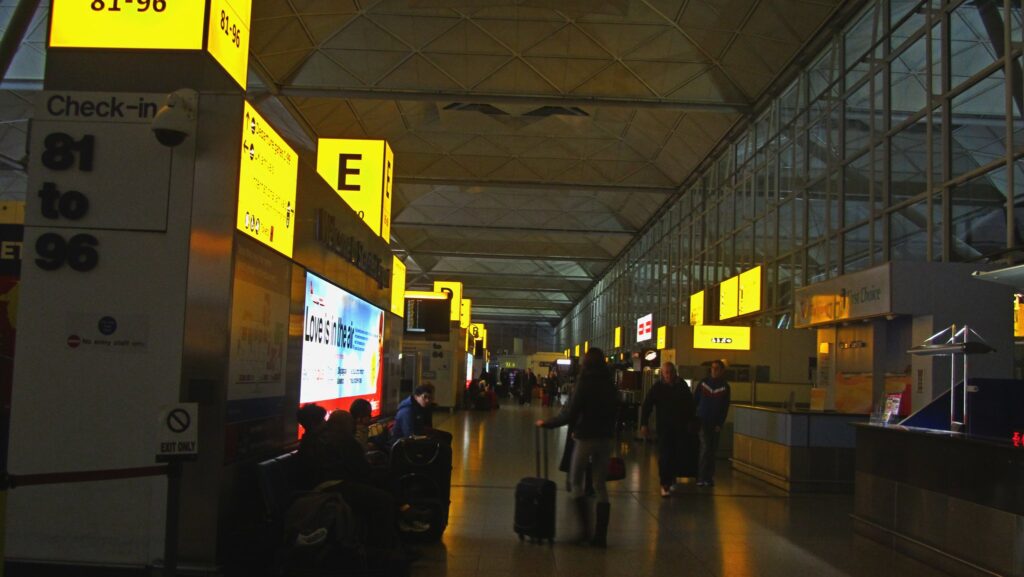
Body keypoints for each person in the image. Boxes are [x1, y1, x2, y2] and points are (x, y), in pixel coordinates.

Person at [535, 348, 617, 547]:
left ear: (586, 363)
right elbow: (616, 410)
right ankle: (600, 537)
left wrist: (548, 423)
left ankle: (584, 531)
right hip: (605, 439)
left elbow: (571, 413)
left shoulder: (585, 382)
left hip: (585, 438)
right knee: (600, 486)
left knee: (575, 483)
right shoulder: (609, 384)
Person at [640, 362, 697, 497]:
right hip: (664, 428)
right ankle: (665, 483)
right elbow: (647, 405)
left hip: (680, 428)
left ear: (675, 372)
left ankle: (671, 477)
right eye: (666, 373)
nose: (669, 375)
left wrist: (691, 421)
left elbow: (690, 405)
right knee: (665, 454)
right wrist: (644, 424)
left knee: (676, 453)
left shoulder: (682, 386)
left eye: (670, 372)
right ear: (662, 374)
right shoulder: (658, 388)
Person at [695, 359, 731, 487]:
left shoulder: (725, 387)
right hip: (703, 420)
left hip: (715, 423)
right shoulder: (703, 383)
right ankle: (702, 477)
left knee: (712, 449)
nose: (714, 370)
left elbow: (725, 407)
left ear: (721, 371)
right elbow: (695, 400)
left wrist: (720, 423)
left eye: (717, 368)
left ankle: (708, 477)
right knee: (706, 448)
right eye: (712, 368)